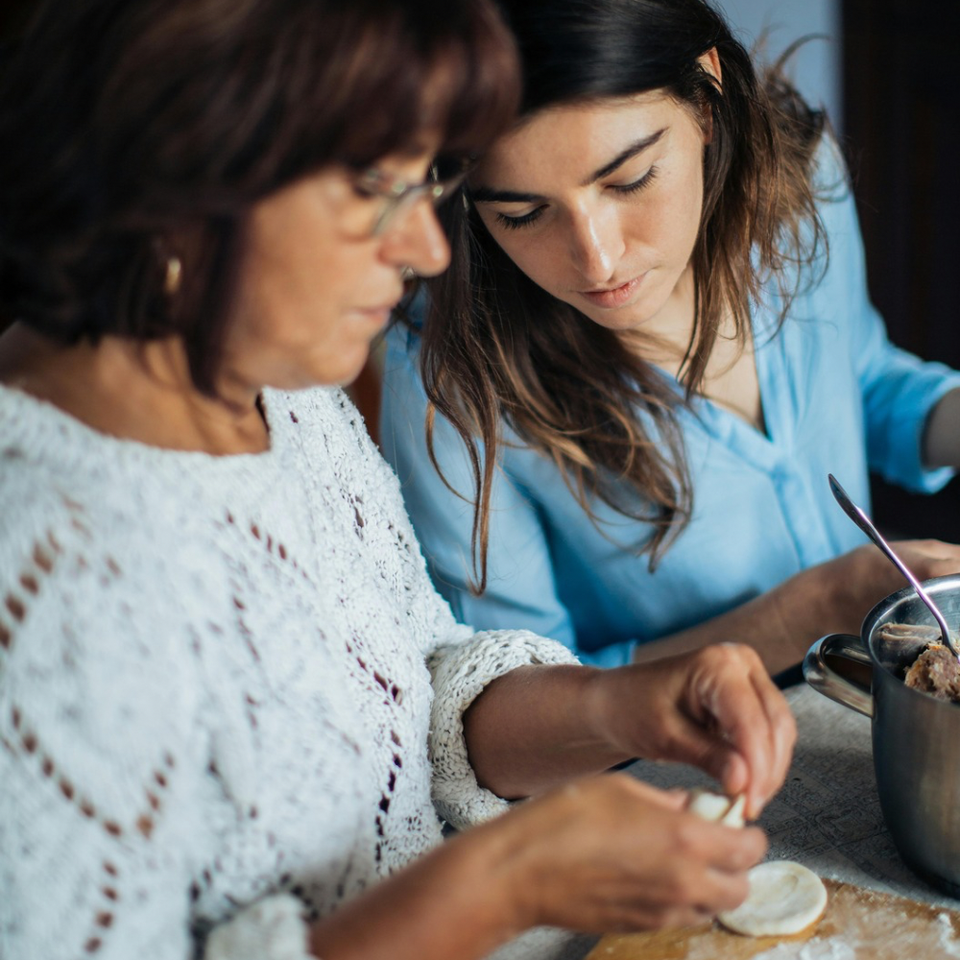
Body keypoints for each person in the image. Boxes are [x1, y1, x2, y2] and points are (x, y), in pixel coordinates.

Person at [0, 1, 797, 959]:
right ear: (175, 183)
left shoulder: (279, 396)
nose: (428, 247)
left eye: (430, 182)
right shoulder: (41, 571)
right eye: (376, 185)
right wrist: (508, 882)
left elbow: (419, 688)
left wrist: (618, 708)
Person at [379, 0, 960, 675]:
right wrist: (813, 607)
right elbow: (522, 697)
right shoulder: (444, 380)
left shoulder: (799, 179)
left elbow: (860, 378)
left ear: (707, 97)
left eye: (630, 180)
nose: (597, 261)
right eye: (521, 214)